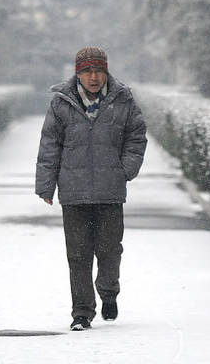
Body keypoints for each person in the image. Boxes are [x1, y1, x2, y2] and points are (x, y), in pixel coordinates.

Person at [35, 46, 147, 331]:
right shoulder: (61, 103)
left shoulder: (123, 100)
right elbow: (50, 145)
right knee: (78, 255)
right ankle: (81, 313)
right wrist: (45, 186)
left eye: (98, 71)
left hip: (110, 191)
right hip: (74, 193)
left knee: (110, 250)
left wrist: (126, 170)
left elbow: (136, 137)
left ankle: (109, 294)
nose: (93, 77)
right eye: (87, 71)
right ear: (78, 73)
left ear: (106, 71)